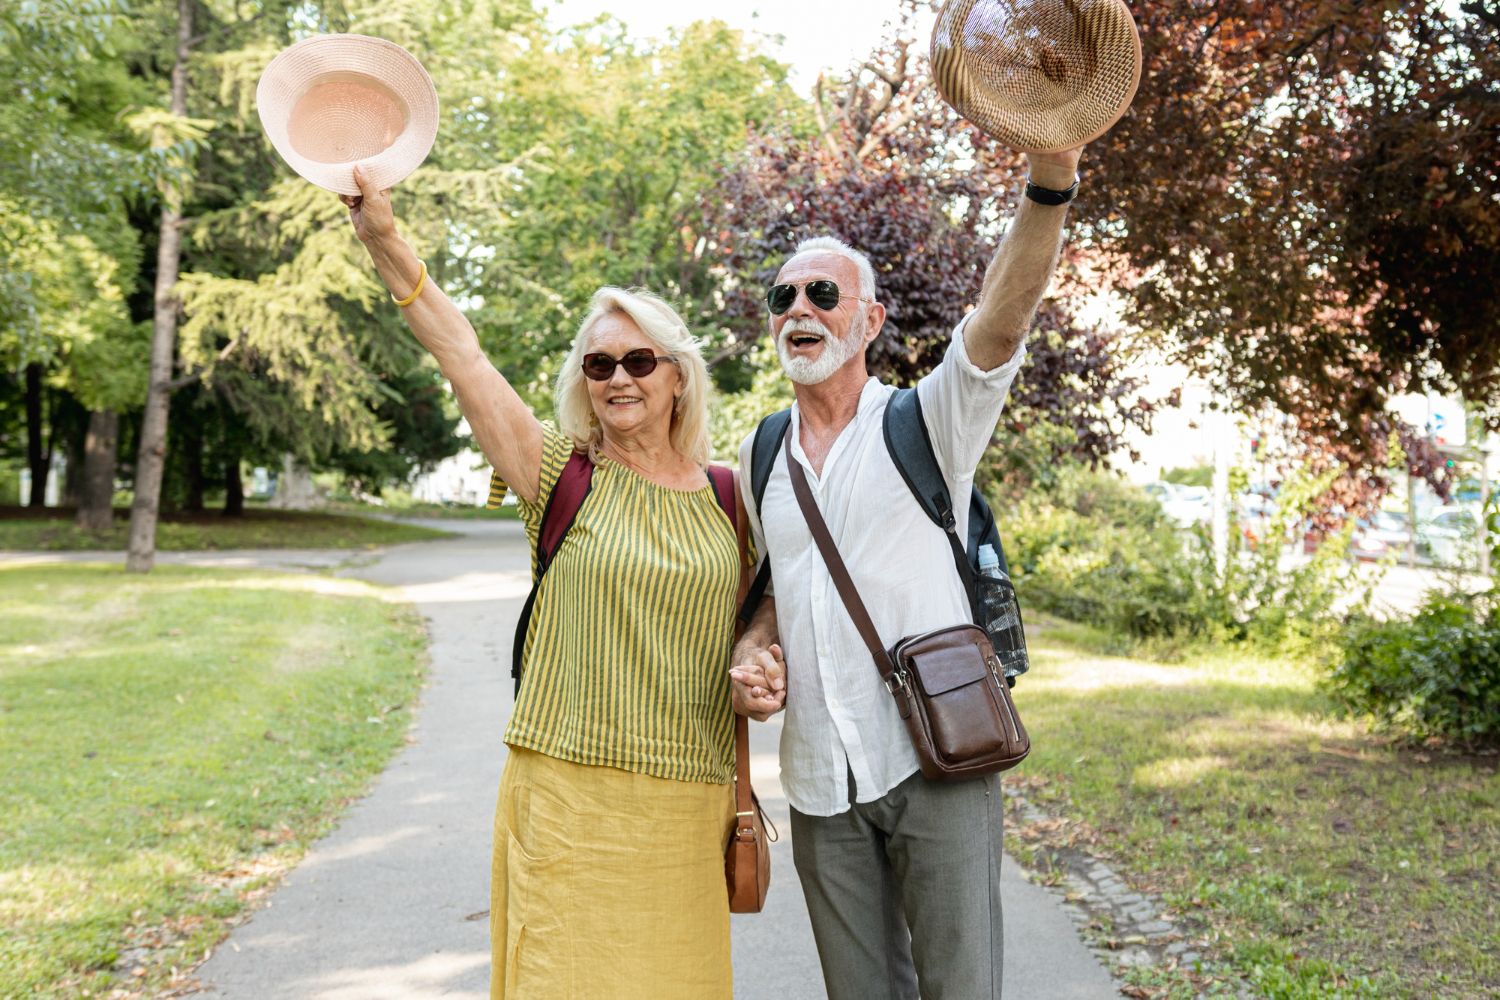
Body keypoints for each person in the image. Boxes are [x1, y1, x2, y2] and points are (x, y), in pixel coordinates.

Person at [341, 166, 771, 999]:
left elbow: (764, 615)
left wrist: (760, 665)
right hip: (567, 797)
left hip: (687, 802)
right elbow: (459, 351)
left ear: (677, 375)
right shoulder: (556, 474)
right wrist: (384, 240)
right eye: (600, 362)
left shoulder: (731, 497)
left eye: (639, 359)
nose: (619, 377)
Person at [728, 145, 1084, 999]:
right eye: (783, 298)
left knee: (959, 988)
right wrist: (753, 652)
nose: (799, 309)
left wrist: (1051, 181)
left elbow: (1001, 320)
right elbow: (776, 585)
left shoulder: (929, 422)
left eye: (822, 293)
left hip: (937, 761)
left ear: (871, 319)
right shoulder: (761, 451)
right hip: (819, 777)